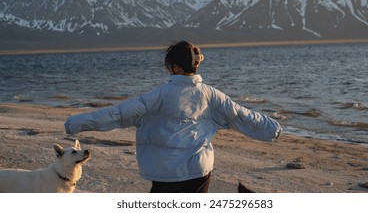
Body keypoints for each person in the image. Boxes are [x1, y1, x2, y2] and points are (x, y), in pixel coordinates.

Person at [64, 41, 281, 193]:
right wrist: (272, 129)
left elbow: (118, 114)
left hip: (166, 172)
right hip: (199, 168)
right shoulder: (211, 95)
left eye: (170, 65)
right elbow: (241, 115)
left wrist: (77, 122)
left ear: (176, 67)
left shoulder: (159, 95)